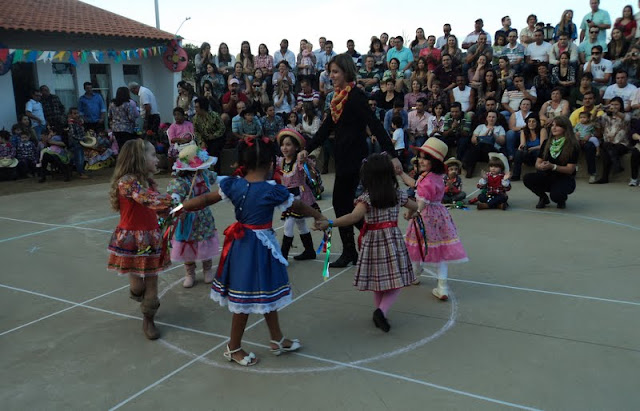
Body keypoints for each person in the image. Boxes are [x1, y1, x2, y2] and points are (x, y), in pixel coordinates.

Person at [181, 137, 325, 366]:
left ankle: (277, 339)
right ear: (270, 164)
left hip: (242, 246)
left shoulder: (233, 185)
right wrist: (318, 215)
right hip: (257, 248)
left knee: (265, 293)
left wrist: (179, 207)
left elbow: (206, 199)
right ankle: (233, 347)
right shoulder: (272, 190)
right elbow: (297, 205)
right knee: (245, 298)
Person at [301, 54, 398, 268]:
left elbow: (374, 124)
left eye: (335, 72)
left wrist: (392, 154)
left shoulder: (355, 96)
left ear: (346, 72)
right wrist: (307, 148)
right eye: (330, 72)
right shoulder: (337, 98)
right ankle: (356, 248)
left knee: (343, 203)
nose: (331, 76)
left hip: (355, 159)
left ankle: (365, 243)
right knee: (342, 204)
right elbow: (326, 128)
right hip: (343, 157)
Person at [315, 153, 417, 331]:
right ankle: (381, 311)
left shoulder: (367, 199)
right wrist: (411, 213)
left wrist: (330, 223)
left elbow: (352, 217)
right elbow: (416, 207)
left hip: (373, 243)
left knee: (378, 281)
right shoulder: (397, 195)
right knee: (397, 282)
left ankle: (379, 311)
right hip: (392, 242)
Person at [107, 139, 173, 340]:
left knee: (152, 280)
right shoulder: (127, 182)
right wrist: (173, 200)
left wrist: (173, 212)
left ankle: (148, 318)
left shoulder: (149, 182)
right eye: (152, 155)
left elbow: (158, 209)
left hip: (151, 237)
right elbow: (147, 199)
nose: (157, 159)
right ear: (139, 158)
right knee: (137, 286)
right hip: (132, 240)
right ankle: (139, 295)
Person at [399, 138, 468, 301]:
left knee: (417, 244)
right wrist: (401, 173)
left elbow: (420, 204)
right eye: (420, 157)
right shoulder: (435, 176)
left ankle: (415, 274)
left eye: (426, 158)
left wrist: (411, 213)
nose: (421, 161)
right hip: (440, 215)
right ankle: (442, 286)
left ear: (434, 162)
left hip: (425, 217)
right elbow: (415, 184)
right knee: (440, 250)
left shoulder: (426, 180)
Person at [167, 145, 219, 288]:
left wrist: (231, 181)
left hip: (204, 216)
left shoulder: (204, 175)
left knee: (205, 243)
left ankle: (207, 269)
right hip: (188, 217)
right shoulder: (181, 181)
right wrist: (176, 202)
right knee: (188, 245)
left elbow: (217, 179)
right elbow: (175, 195)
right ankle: (190, 273)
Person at [276, 129, 319, 261]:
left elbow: (312, 172)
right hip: (288, 197)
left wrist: (304, 160)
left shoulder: (299, 162)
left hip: (299, 196)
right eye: (283, 145)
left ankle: (283, 255)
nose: (284, 148)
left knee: (288, 224)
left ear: (296, 147)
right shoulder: (281, 161)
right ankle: (309, 250)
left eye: (288, 144)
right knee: (300, 223)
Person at [522, 116, 580, 209]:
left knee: (556, 196)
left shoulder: (572, 145)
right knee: (527, 178)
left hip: (564, 178)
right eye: (552, 125)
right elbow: (537, 163)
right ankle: (543, 197)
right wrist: (541, 166)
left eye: (558, 126)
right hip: (547, 175)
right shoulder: (546, 142)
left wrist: (553, 166)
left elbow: (570, 169)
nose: (554, 128)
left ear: (565, 128)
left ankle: (561, 199)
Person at [595, 97, 630, 184]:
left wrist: (615, 111)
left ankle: (605, 177)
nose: (614, 106)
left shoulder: (626, 115)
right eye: (612, 104)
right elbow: (594, 121)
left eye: (616, 104)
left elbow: (627, 119)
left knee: (607, 147)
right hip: (608, 144)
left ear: (621, 105)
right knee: (606, 149)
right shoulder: (605, 116)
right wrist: (596, 110)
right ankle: (616, 166)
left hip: (622, 144)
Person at [513, 114, 547, 181]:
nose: (531, 123)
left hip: (538, 152)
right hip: (528, 153)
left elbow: (543, 146)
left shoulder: (542, 130)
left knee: (539, 152)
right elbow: (523, 144)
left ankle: (540, 176)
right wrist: (521, 148)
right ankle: (515, 175)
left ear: (537, 123)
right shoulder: (524, 131)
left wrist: (532, 148)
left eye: (533, 121)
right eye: (529, 121)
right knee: (518, 153)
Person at [574, 111, 601, 179]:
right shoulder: (578, 125)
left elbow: (596, 133)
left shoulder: (591, 125)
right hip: (579, 140)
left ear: (589, 118)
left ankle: (592, 173)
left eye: (584, 117)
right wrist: (576, 135)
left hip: (588, 141)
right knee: (573, 147)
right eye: (581, 118)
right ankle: (573, 168)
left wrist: (590, 135)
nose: (582, 119)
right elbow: (574, 131)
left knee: (590, 146)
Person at [66, 107, 88, 179]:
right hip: (76, 142)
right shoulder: (71, 123)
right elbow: (72, 134)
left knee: (80, 157)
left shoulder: (79, 122)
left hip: (80, 142)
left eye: (77, 113)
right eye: (74, 113)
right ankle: (80, 173)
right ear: (70, 115)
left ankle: (79, 171)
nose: (77, 115)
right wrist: (81, 138)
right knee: (79, 158)